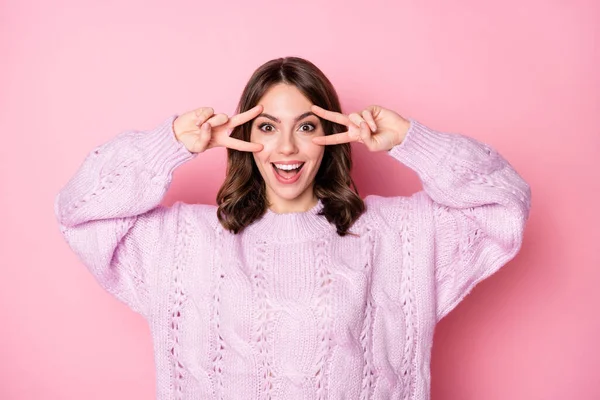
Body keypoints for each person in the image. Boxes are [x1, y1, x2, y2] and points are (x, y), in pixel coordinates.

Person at [54, 56, 532, 400]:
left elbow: (503, 203)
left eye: (305, 127)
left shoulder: (400, 236)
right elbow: (81, 211)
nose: (286, 146)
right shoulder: (181, 243)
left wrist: (412, 140)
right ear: (244, 136)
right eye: (266, 127)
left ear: (328, 139)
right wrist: (169, 144)